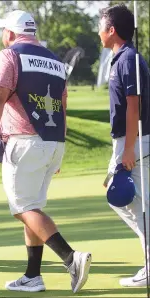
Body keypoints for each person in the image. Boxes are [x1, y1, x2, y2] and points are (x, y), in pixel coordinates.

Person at [0, 10, 92, 293]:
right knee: (32, 207)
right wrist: (59, 146)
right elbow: (63, 105)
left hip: (24, 141)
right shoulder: (54, 60)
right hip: (53, 140)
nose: (2, 36)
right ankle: (32, 275)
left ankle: (70, 259)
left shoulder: (8, 56)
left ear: (11, 33)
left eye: (3, 30)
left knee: (23, 207)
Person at [98, 4, 150, 287]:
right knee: (128, 198)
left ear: (111, 30)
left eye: (101, 27)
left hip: (135, 140)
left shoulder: (129, 58)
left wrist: (129, 149)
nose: (98, 33)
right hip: (130, 140)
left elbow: (134, 106)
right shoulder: (121, 58)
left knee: (128, 199)